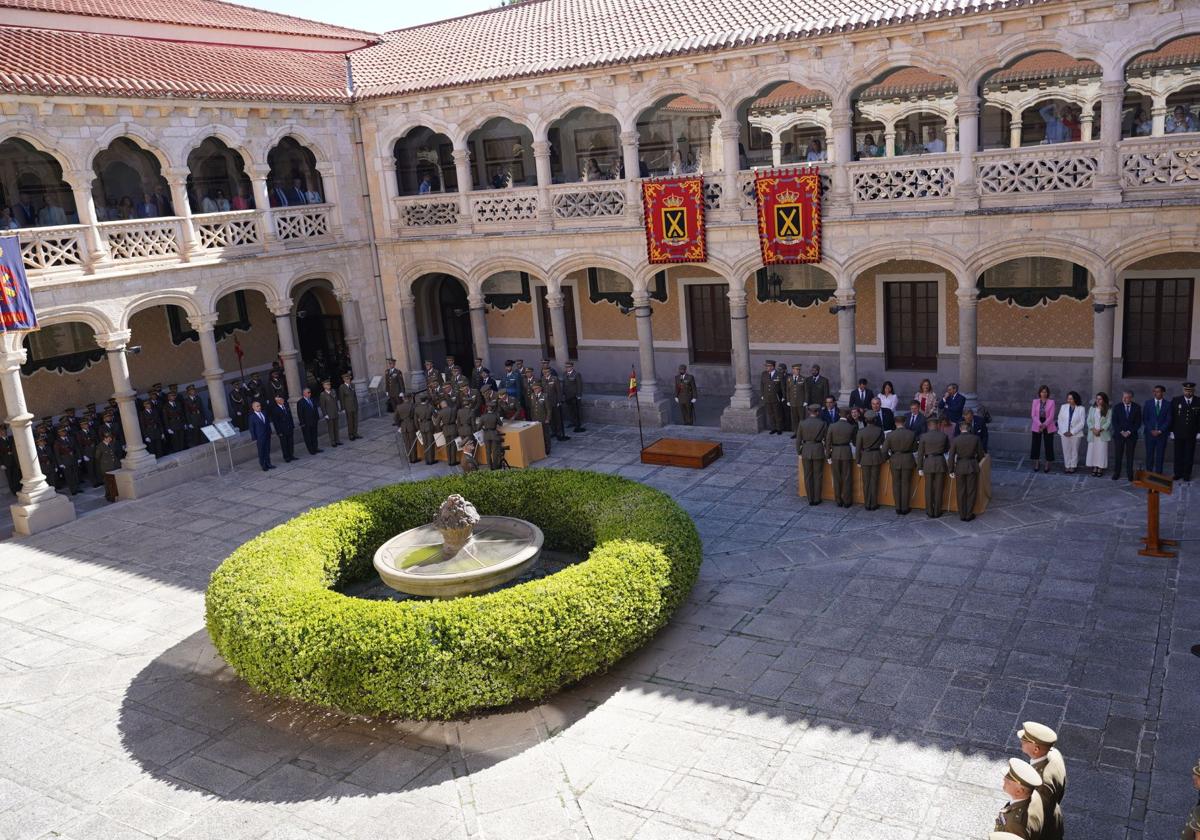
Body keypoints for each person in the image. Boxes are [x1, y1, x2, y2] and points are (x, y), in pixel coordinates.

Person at [1018, 722, 1066, 840]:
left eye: (1025, 740)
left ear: (1036, 749)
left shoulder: (1040, 782)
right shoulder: (1054, 753)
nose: (1021, 741)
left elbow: (1037, 813)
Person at [995, 758, 1046, 839]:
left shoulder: (1015, 824)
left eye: (1008, 781)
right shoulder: (1035, 795)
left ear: (1019, 791)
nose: (1004, 779)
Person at [948, 419, 984, 521]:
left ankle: (962, 514)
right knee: (971, 491)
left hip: (959, 466)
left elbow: (951, 456)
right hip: (972, 465)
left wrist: (951, 470)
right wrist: (975, 460)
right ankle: (969, 514)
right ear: (969, 429)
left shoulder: (956, 439)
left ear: (960, 429)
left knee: (961, 491)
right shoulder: (975, 438)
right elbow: (981, 454)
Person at [885, 413, 918, 515]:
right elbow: (915, 449)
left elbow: (884, 450)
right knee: (906, 484)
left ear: (895, 423)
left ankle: (897, 507)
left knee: (896, 484)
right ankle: (905, 508)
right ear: (904, 422)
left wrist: (889, 458)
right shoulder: (911, 434)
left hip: (895, 459)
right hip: (907, 459)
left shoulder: (890, 435)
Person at [917, 416, 950, 518]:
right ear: (938, 425)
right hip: (940, 461)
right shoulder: (943, 436)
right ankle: (937, 511)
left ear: (928, 426)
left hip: (928, 462)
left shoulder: (923, 436)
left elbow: (920, 453)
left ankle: (929, 510)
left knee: (929, 488)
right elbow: (946, 449)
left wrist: (920, 467)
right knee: (939, 488)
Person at [825, 408, 856, 508]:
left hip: (835, 453)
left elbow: (828, 442)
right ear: (848, 415)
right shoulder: (851, 427)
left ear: (839, 414)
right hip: (846, 452)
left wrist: (828, 456)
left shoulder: (832, 426)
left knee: (837, 477)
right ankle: (847, 501)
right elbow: (855, 442)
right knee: (847, 477)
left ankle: (838, 500)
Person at [856, 411, 886, 511]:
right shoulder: (879, 430)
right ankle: (873, 503)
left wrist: (858, 461)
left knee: (866, 482)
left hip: (865, 457)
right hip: (876, 456)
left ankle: (867, 503)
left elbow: (858, 448)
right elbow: (883, 443)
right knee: (874, 481)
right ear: (875, 420)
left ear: (865, 420)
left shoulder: (861, 431)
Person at [797, 405, 827, 505]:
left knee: (808, 475)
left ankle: (810, 498)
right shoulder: (823, 423)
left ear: (809, 412)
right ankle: (817, 498)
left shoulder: (802, 423)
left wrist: (799, 452)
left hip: (806, 449)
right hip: (818, 449)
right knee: (818, 475)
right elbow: (826, 440)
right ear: (817, 412)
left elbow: (798, 440)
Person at [1172, 382, 1200, 481]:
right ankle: (1177, 473)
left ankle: (1187, 474)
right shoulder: (1176, 400)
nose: (1188, 393)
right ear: (1183, 390)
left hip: (1192, 433)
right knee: (1178, 454)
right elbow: (1173, 417)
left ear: (1193, 391)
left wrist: (1199, 432)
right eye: (1186, 390)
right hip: (1178, 432)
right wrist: (1171, 431)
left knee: (1189, 455)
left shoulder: (1198, 401)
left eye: (1190, 391)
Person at [1112, 391, 1142, 481]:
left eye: (1127, 397)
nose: (1124, 399)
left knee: (1130, 455)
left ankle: (1130, 474)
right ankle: (1116, 473)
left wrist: (1129, 432)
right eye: (1123, 397)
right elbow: (1114, 422)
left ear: (1131, 398)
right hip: (1119, 435)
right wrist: (1121, 431)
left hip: (1131, 436)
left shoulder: (1137, 407)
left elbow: (1138, 423)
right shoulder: (1117, 407)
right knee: (1118, 455)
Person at [1056, 391, 1085, 474]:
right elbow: (1059, 419)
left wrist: (1072, 432)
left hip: (1076, 434)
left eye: (1071, 398)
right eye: (1068, 398)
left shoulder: (1081, 408)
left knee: (1074, 450)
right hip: (1064, 433)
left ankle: (1073, 465)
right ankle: (1067, 465)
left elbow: (1082, 423)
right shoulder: (1063, 407)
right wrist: (1064, 431)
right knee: (1066, 450)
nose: (1069, 400)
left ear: (1075, 399)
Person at [1143, 385, 1171, 474]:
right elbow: (1145, 419)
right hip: (1149, 434)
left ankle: (1158, 473)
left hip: (1161, 434)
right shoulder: (1148, 403)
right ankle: (1149, 472)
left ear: (1163, 392)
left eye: (1158, 391)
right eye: (1154, 391)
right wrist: (1151, 430)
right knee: (1149, 454)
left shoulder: (1168, 404)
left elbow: (1168, 420)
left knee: (1160, 455)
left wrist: (1160, 430)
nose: (1156, 393)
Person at [1030, 385, 1057, 473]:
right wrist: (1039, 424)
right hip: (1037, 423)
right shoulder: (1035, 401)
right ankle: (1036, 462)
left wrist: (1044, 425)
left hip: (1048, 424)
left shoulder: (1051, 402)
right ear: (1039, 393)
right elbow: (1033, 415)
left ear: (1048, 393)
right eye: (1042, 392)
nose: (1043, 393)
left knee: (1048, 445)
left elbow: (1051, 416)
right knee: (1036, 444)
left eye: (1045, 392)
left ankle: (1047, 463)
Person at [1086, 391, 1112, 477]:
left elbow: (1108, 422)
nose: (1098, 400)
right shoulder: (1092, 409)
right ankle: (1094, 467)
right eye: (1097, 399)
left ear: (1104, 400)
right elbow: (1088, 420)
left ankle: (1100, 467)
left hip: (1102, 434)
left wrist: (1100, 430)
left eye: (1100, 399)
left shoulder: (1108, 410)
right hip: (1093, 434)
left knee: (1101, 451)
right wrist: (1093, 429)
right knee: (1093, 451)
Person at [270, 395, 297, 463]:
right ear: (277, 401)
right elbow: (276, 422)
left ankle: (291, 455)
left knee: (290, 443)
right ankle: (286, 457)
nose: (283, 400)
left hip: (289, 428)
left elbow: (290, 417)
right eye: (281, 399)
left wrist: (292, 426)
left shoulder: (286, 406)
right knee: (284, 444)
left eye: (282, 399)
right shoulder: (275, 410)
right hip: (282, 430)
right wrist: (279, 432)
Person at [248, 400, 274, 471]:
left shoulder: (264, 413)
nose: (259, 407)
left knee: (267, 450)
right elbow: (251, 428)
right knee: (261, 451)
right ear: (253, 408)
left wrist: (270, 432)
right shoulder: (252, 417)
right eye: (257, 406)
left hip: (267, 435)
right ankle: (263, 465)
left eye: (260, 406)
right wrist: (254, 437)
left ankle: (268, 463)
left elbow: (267, 423)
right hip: (260, 437)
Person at [95, 431, 120, 502]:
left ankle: (115, 494)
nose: (110, 439)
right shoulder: (100, 446)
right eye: (109, 438)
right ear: (104, 438)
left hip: (114, 465)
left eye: (110, 437)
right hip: (106, 467)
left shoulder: (111, 444)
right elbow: (97, 457)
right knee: (108, 483)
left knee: (114, 482)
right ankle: (109, 496)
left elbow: (114, 454)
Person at [297, 387, 322, 455]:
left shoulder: (312, 400)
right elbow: (300, 414)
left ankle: (315, 448)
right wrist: (302, 423)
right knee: (308, 437)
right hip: (306, 423)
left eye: (310, 392)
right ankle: (311, 450)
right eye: (308, 392)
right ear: (304, 393)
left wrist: (317, 418)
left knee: (314, 435)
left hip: (314, 421)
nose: (310, 394)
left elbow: (315, 410)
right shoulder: (300, 402)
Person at [528, 381, 552, 455]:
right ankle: (540, 448)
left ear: (540, 388)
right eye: (534, 389)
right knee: (537, 435)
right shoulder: (532, 396)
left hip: (543, 419)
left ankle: (547, 449)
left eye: (536, 388)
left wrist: (548, 419)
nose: (535, 390)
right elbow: (532, 408)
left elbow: (548, 409)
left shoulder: (545, 396)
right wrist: (532, 419)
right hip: (535, 419)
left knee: (545, 435)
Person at [562, 360, 586, 432]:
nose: (567, 368)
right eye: (566, 367)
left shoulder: (576, 374)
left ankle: (577, 424)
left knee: (576, 411)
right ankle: (573, 422)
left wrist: (578, 395)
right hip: (567, 395)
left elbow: (579, 385)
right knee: (570, 410)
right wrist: (563, 394)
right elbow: (564, 385)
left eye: (569, 367)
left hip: (574, 396)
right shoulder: (564, 374)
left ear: (572, 367)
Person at [761, 360, 783, 434]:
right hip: (767, 397)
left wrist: (783, 397)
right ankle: (773, 428)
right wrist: (762, 395)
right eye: (766, 366)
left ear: (772, 367)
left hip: (776, 397)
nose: (767, 367)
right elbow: (762, 385)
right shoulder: (764, 374)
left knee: (777, 414)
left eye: (768, 366)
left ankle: (779, 428)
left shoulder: (779, 374)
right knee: (770, 414)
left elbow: (782, 387)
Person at [437, 397, 459, 467]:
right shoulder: (453, 410)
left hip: (445, 428)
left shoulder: (440, 412)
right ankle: (453, 461)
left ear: (441, 405)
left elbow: (437, 423)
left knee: (448, 445)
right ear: (446, 404)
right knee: (453, 445)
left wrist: (441, 427)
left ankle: (449, 461)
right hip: (453, 428)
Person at [415, 394, 436, 464]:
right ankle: (431, 460)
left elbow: (415, 420)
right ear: (426, 400)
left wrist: (418, 427)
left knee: (425, 443)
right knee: (430, 443)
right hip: (429, 425)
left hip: (422, 426)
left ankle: (427, 459)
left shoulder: (417, 408)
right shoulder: (430, 407)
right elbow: (435, 415)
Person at [338, 373, 360, 441]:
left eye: (349, 379)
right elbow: (341, 398)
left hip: (354, 406)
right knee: (350, 421)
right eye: (346, 379)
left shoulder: (352, 385)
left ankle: (355, 433)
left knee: (355, 420)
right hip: (348, 407)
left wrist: (357, 405)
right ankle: (350, 434)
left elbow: (355, 396)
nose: (348, 380)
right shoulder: (342, 387)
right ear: (344, 380)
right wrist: (343, 408)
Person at [318, 379, 341, 447]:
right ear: (324, 386)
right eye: (327, 385)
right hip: (329, 414)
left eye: (329, 384)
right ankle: (333, 441)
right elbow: (322, 406)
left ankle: (337, 440)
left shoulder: (333, 391)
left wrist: (338, 409)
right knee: (331, 428)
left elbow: (336, 401)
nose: (329, 385)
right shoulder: (323, 395)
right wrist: (325, 414)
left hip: (335, 412)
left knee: (336, 427)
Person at [785, 364, 806, 437]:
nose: (798, 371)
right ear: (793, 370)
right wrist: (788, 400)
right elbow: (788, 390)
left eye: (799, 369)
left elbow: (806, 391)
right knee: (794, 418)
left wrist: (805, 401)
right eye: (796, 369)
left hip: (801, 402)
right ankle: (796, 432)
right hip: (792, 402)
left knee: (801, 418)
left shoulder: (803, 379)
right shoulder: (789, 379)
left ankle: (802, 433)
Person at [0, 423, 19, 495]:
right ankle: (14, 492)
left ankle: (19, 489)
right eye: (2, 431)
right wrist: (1, 464)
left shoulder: (10, 438)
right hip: (6, 463)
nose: (4, 432)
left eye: (4, 430)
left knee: (16, 475)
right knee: (10, 478)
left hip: (14, 460)